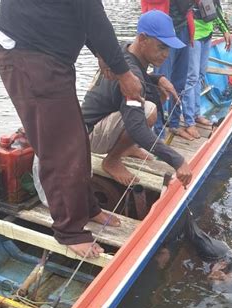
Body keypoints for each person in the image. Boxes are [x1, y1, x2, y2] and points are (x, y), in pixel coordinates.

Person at [0, 0, 143, 259]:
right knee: (59, 147)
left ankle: (87, 208)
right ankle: (70, 230)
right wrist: (124, 74)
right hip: (29, 56)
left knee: (76, 137)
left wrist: (101, 52)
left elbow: (80, 13)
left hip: (47, 58)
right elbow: (93, 16)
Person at [81, 10, 192, 189]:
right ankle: (112, 160)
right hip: (89, 134)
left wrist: (157, 79)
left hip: (93, 124)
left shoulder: (124, 50)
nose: (166, 54)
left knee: (156, 95)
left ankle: (126, 147)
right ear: (142, 39)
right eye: (161, 47)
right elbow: (137, 127)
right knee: (148, 111)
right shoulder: (131, 75)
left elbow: (139, 76)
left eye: (168, 49)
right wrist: (177, 161)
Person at [141, 0, 198, 141]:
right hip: (161, 31)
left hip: (183, 27)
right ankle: (158, 132)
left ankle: (174, 123)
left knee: (180, 81)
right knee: (160, 82)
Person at [182, 0, 232, 139]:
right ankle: (189, 122)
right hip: (193, 35)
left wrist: (225, 30)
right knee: (191, 78)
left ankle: (197, 114)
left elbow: (216, 9)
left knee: (200, 75)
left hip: (207, 34)